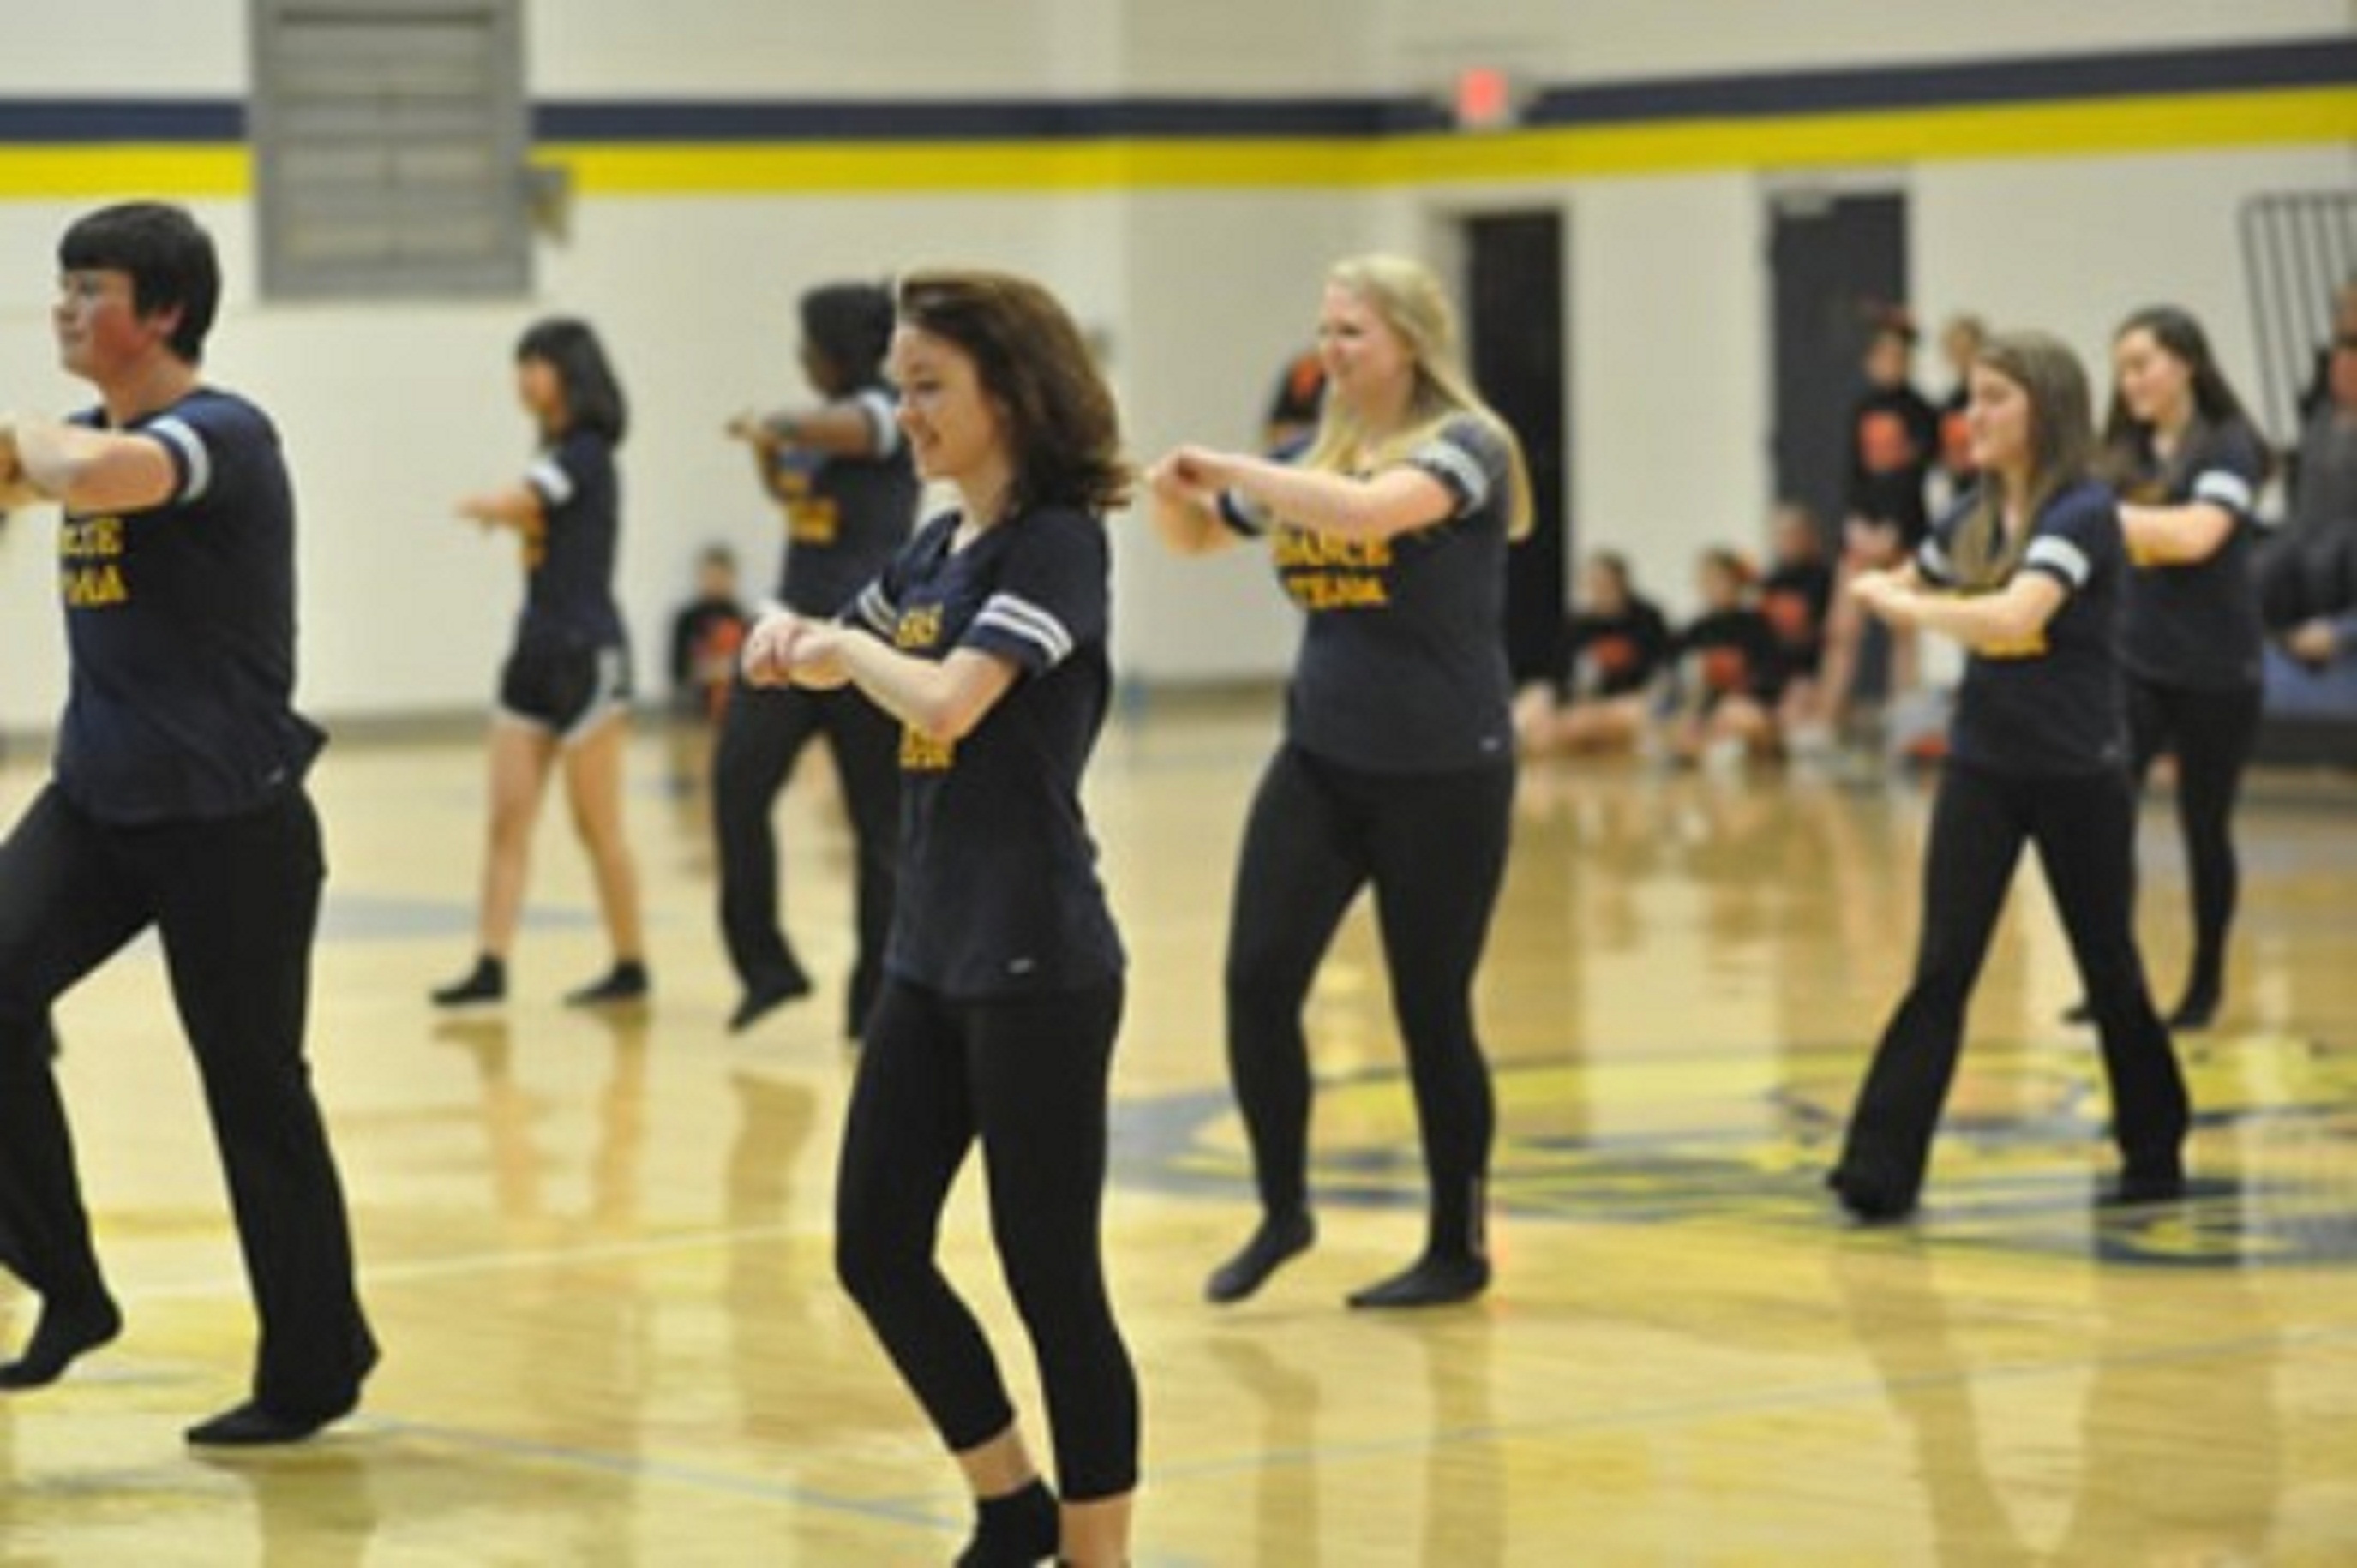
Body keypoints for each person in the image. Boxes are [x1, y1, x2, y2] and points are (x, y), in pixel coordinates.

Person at [741, 268, 1137, 1568]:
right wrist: (788, 639)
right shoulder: (930, 546)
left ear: (1008, 395)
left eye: (928, 388)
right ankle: (1009, 1502)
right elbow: (839, 646)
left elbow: (949, 700)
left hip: (1039, 960)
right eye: (900, 386)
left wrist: (837, 653)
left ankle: (1096, 1552)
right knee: (876, 1248)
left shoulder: (1058, 541)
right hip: (928, 955)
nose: (905, 413)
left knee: (1050, 1278)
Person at [0, 201, 376, 1444]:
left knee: (255, 1091)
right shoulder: (84, 438)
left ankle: (316, 1364)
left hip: (231, 821)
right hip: (100, 800)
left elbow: (98, 473)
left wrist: (26, 448)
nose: (63, 306)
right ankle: (68, 1286)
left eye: (89, 287)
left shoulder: (220, 433)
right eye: (59, 284)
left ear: (161, 312)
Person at [1146, 253, 1532, 1309]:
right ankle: (1283, 1211)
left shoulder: (1468, 447)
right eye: (1323, 330)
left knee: (1429, 1008)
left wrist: (1237, 468)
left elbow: (1368, 516)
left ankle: (1457, 1243)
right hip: (1320, 759)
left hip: (1445, 774)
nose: (1330, 348)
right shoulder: (1307, 458)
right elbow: (1192, 542)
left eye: (1351, 331)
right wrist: (1169, 498)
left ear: (1408, 342)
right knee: (1256, 981)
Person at [1826, 329, 2191, 1221]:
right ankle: (1878, 1169)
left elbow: (2011, 616)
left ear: (2045, 409)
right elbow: (1915, 576)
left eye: (1992, 398)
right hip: (1983, 765)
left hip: (2078, 772)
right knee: (1942, 964)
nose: (1969, 416)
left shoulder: (2081, 512)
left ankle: (2152, 1146)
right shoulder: (1973, 511)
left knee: (2106, 965)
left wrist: (1905, 602)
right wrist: (1894, 589)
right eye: (1969, 396)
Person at [713, 282, 917, 1037]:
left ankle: (875, 1003)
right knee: (737, 786)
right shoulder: (821, 428)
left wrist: (774, 423)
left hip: (867, 638)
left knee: (881, 830)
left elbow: (847, 429)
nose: (801, 359)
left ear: (838, 349)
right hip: (788, 627)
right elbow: (791, 483)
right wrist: (770, 452)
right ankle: (769, 967)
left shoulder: (885, 412)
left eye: (809, 345)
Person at [433, 318, 649, 1009]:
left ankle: (630, 962)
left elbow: (524, 500)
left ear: (571, 373)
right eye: (521, 365)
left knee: (598, 826)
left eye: (538, 364)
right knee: (508, 817)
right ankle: (490, 964)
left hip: (589, 657)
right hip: (533, 653)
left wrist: (488, 507)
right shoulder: (553, 451)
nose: (524, 379)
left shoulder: (585, 454)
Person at [2096, 306, 2273, 1031]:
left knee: (2205, 827)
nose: (2131, 382)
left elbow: (2199, 536)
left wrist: (2090, 516)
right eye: (2123, 370)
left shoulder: (2232, 446)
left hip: (2216, 671)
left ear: (2187, 363)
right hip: (2134, 662)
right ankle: (2113, 980)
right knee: (2102, 821)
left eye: (2142, 364)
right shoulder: (2120, 455)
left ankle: (2204, 983)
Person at [1513, 550, 1672, 757]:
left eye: (1604, 581)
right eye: (1591, 582)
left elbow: (1659, 671)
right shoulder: (1579, 625)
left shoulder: (1647, 620)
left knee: (1629, 714)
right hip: (1583, 704)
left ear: (1621, 582)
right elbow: (1562, 675)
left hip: (1627, 701)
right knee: (1533, 702)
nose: (1597, 588)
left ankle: (1577, 736)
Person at [1659, 547, 1783, 766]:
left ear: (1736, 582)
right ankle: (1705, 751)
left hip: (1745, 707)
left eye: (1719, 579)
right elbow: (1672, 675)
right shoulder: (1695, 629)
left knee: (1744, 718)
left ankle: (1722, 750)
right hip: (1706, 711)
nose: (1712, 587)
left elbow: (1771, 677)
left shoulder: (1757, 625)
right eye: (1706, 580)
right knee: (1677, 726)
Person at [666, 542, 747, 723]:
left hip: (733, 710)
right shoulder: (686, 619)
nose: (714, 581)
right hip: (694, 707)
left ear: (731, 577)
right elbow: (678, 670)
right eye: (709, 575)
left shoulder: (741, 618)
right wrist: (716, 670)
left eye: (720, 575)